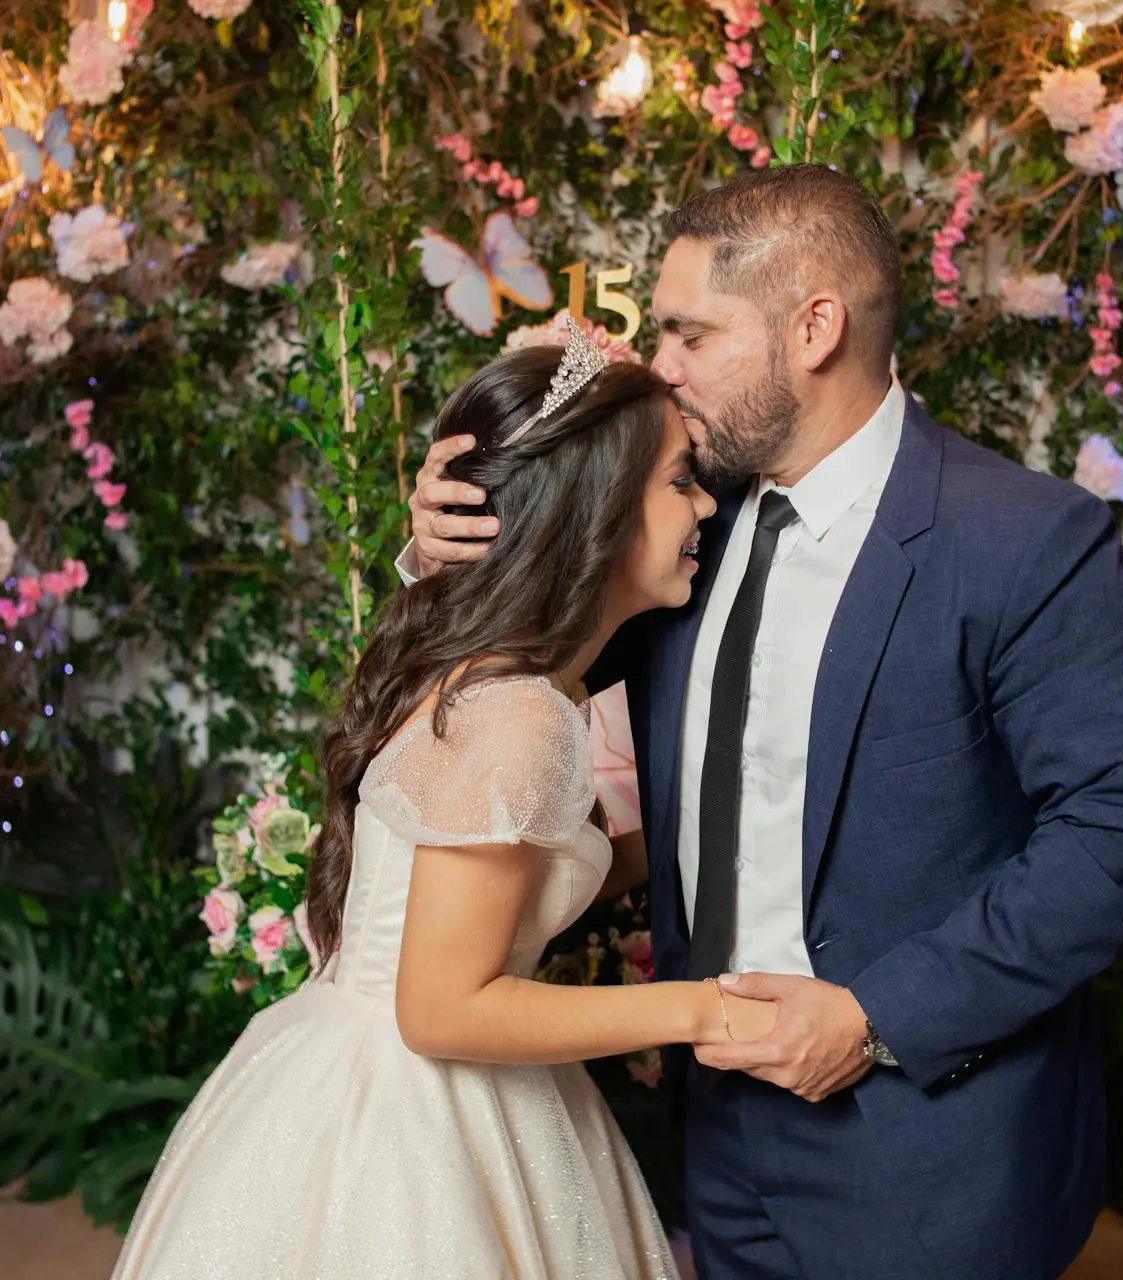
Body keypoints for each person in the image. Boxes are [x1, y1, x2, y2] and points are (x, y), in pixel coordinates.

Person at [407, 164, 1123, 1280]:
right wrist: (445, 548)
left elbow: (1121, 833)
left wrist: (875, 1017)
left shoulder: (1023, 541)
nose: (660, 366)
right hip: (718, 1130)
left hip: (933, 1144)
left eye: (689, 334)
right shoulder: (677, 519)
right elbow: (512, 664)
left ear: (814, 328)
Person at [113, 334, 777, 1280]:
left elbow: (520, 885)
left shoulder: (493, 668)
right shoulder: (517, 714)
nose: (706, 504)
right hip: (413, 1114)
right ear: (595, 508)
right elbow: (440, 1009)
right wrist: (707, 1011)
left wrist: (704, 832)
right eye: (681, 482)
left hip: (350, 1061)